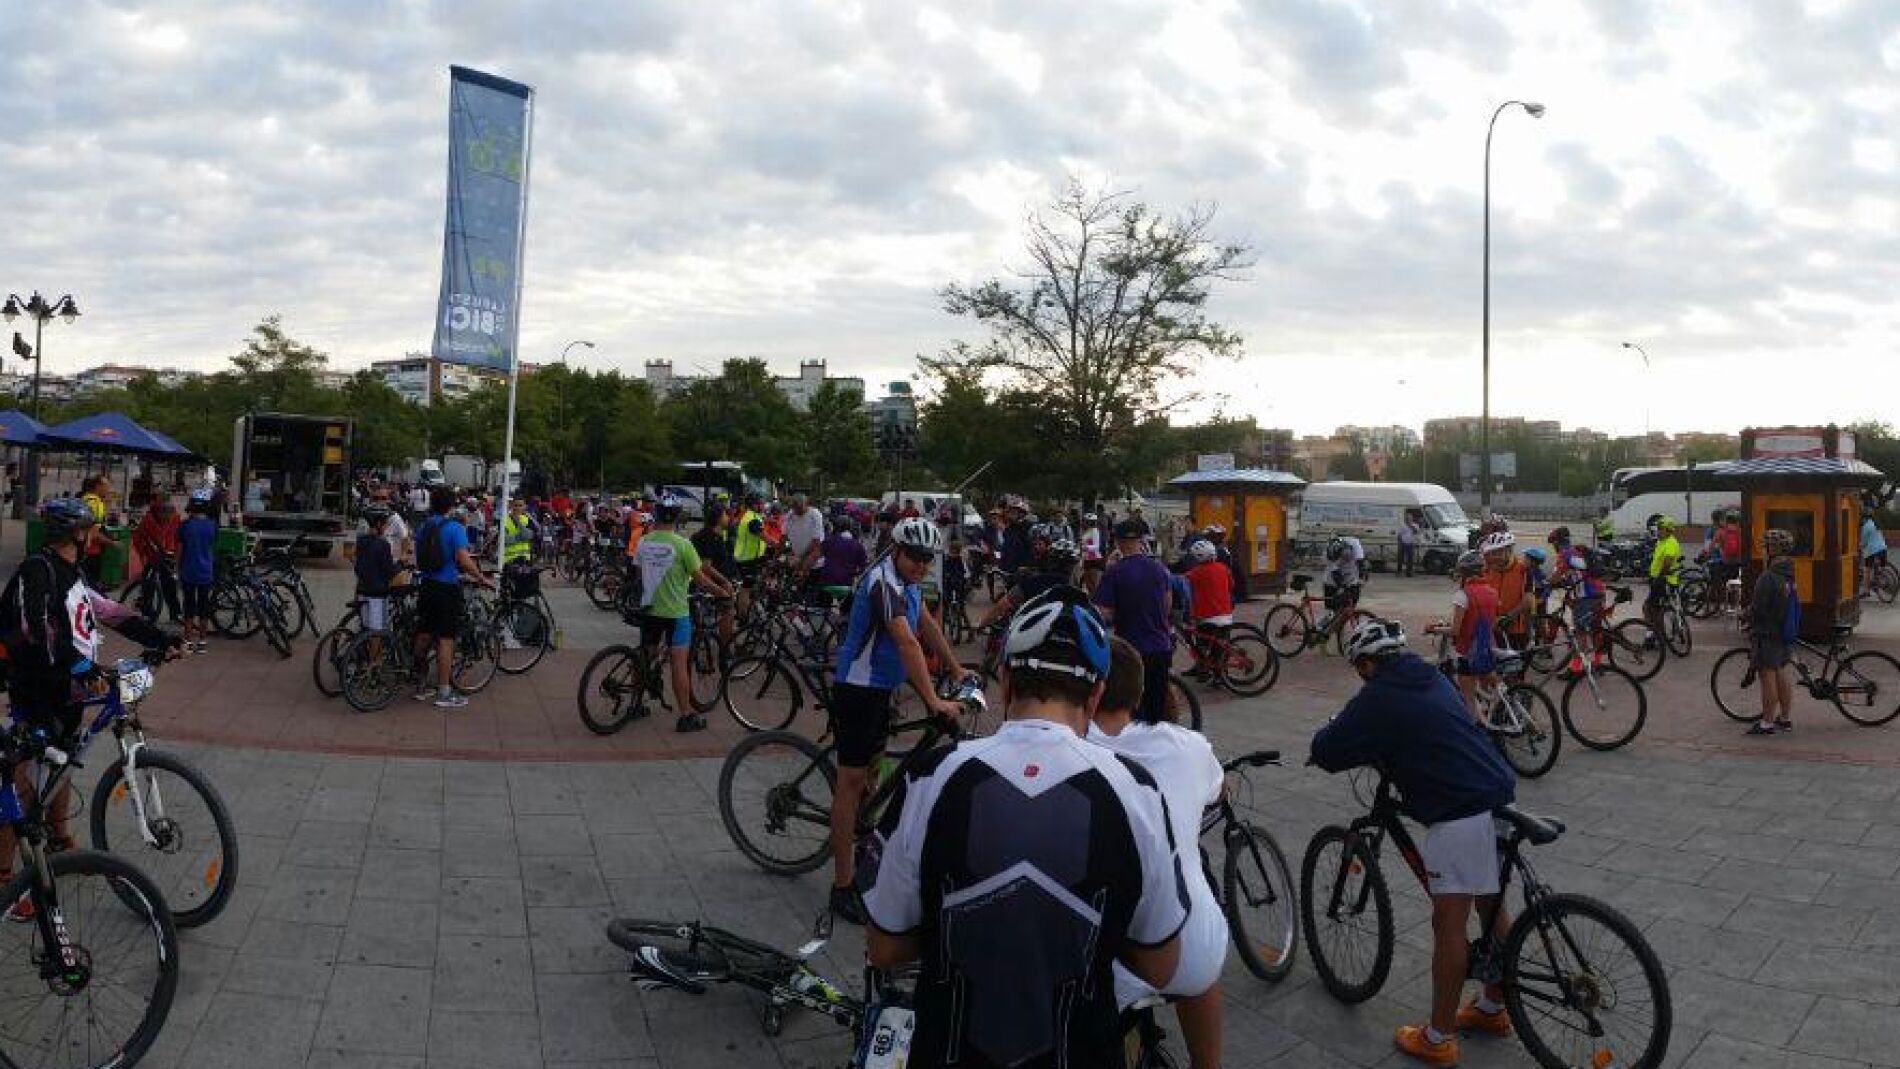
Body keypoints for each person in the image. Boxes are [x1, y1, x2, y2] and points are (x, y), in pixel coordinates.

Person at [860, 586, 1186, 1069]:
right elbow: (1161, 964)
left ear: (1006, 682)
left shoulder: (931, 774)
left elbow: (884, 948)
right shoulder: (1137, 791)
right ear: (1096, 695)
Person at [1310, 618, 1518, 1066]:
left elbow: (1328, 750)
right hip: (1496, 790)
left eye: (1358, 668)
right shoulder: (1433, 677)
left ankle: (1439, 1037)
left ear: (1368, 663)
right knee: (1490, 902)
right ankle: (1493, 1007)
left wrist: (1327, 739)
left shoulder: (1379, 696)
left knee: (1449, 924)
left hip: (1458, 810)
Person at [0, 499, 179, 906]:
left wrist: (158, 637)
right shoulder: (38, 569)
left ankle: (59, 840)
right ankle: (5, 877)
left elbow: (107, 611)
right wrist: (79, 663)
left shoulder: (74, 573)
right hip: (38, 689)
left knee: (64, 760)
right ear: (77, 534)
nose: (98, 536)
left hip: (68, 690)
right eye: (93, 530)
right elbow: (36, 627)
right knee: (23, 782)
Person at [1089, 636, 1226, 1068]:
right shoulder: (1187, 746)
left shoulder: (1072, 747)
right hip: (1189, 950)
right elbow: (1218, 790)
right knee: (1200, 949)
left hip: (1104, 952)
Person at [826, 518, 967, 925]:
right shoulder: (882, 582)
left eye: (927, 560)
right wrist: (933, 700)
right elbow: (907, 640)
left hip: (882, 689)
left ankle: (863, 837)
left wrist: (957, 670)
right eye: (915, 558)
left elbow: (926, 625)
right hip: (857, 689)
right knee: (851, 784)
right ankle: (841, 886)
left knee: (873, 774)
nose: (921, 566)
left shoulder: (907, 583)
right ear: (896, 551)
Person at [633, 495, 735, 733]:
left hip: (649, 610)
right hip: (676, 613)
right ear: (678, 517)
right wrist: (722, 592)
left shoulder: (644, 542)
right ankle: (686, 715)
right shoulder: (683, 545)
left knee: (644, 657)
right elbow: (700, 579)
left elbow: (639, 574)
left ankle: (635, 704)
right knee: (679, 664)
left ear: (657, 515)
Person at [412, 486, 492, 709]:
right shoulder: (455, 528)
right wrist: (480, 577)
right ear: (452, 505)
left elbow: (417, 554)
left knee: (424, 633)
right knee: (446, 639)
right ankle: (444, 692)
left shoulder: (424, 526)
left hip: (426, 585)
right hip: (447, 587)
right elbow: (464, 560)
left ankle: (419, 684)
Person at [1093, 519, 1175, 724]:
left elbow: (1105, 612)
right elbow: (1167, 605)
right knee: (1156, 706)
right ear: (1141, 541)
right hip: (1160, 646)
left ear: (1118, 543)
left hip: (1130, 650)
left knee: (1131, 706)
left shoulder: (1114, 572)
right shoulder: (1159, 569)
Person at [1747, 528, 1801, 736]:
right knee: (1781, 672)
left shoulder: (1768, 577)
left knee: (1766, 675)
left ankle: (1767, 722)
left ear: (1773, 550)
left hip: (1768, 633)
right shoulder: (1789, 573)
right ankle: (1785, 719)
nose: (1764, 551)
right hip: (1784, 632)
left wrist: (1746, 615)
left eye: (1766, 547)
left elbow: (1758, 608)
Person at [1433, 550, 1499, 718]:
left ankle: (1475, 729)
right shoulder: (1492, 592)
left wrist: (1433, 629)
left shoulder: (1463, 595)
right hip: (1488, 647)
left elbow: (1456, 630)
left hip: (1469, 651)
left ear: (1463, 572)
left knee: (1468, 699)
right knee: (1490, 683)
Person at [975, 537, 1078, 629]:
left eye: (1039, 544)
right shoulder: (1076, 591)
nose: (1036, 547)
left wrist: (981, 625)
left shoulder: (1034, 581)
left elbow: (1002, 605)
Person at [1547, 527, 1604, 672]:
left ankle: (1575, 669)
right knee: (1596, 629)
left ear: (1556, 543)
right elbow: (1578, 572)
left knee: (1580, 632)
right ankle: (1598, 663)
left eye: (1553, 543)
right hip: (1599, 592)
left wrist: (1547, 583)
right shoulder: (1577, 551)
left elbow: (1556, 576)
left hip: (1585, 597)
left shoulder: (1564, 554)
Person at [353, 503, 408, 635]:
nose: (385, 526)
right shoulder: (383, 544)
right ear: (378, 524)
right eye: (384, 523)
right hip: (377, 593)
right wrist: (400, 564)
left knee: (365, 626)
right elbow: (389, 571)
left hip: (362, 589)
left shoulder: (361, 541)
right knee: (377, 632)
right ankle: (374, 656)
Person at [177, 490, 219, 654]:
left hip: (188, 571)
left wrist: (176, 569)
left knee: (188, 605)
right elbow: (212, 545)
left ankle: (187, 640)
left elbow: (179, 550)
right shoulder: (212, 525)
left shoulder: (185, 526)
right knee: (203, 606)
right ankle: (202, 641)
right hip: (206, 571)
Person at [130, 498, 183, 624]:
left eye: (169, 515)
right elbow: (138, 539)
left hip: (168, 554)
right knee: (148, 583)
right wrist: (143, 555)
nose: (167, 519)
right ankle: (147, 609)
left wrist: (175, 555)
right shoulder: (148, 520)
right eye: (164, 515)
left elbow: (178, 537)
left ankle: (175, 613)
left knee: (169, 584)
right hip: (151, 554)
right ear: (158, 513)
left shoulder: (175, 518)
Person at [1480, 531, 1529, 649]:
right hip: (1492, 626)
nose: (1495, 556)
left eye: (1499, 552)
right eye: (1493, 552)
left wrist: (1509, 617)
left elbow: (1528, 599)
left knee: (1516, 662)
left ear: (1509, 551)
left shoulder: (1523, 570)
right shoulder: (1486, 569)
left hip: (1515, 627)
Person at [1316, 536, 1365, 645]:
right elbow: (1335, 573)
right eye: (1339, 559)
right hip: (1331, 581)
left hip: (1352, 578)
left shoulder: (1355, 545)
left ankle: (1338, 632)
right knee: (1331, 611)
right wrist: (1341, 587)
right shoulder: (1329, 554)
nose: (1342, 560)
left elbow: (1361, 565)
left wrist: (1362, 579)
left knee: (1348, 609)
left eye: (1343, 557)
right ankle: (1322, 632)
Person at [346, 488, 412, 566]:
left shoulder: (394, 517)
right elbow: (352, 541)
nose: (379, 501)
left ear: (388, 500)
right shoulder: (364, 516)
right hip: (366, 563)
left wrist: (403, 557)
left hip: (385, 563)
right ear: (371, 499)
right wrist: (355, 560)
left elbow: (405, 538)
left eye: (383, 498)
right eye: (376, 498)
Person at [1644, 515, 1682, 640]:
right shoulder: (1662, 541)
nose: (1658, 531)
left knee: (1651, 608)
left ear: (1668, 530)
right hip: (1659, 580)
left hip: (1664, 581)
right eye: (1658, 528)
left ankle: (1655, 636)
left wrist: (1658, 577)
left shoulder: (1670, 543)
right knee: (1655, 608)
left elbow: (1667, 563)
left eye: (1661, 528)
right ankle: (1657, 634)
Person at [782, 493, 826, 580]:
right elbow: (784, 536)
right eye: (794, 507)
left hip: (813, 562)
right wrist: (776, 556)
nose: (796, 510)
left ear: (806, 504)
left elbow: (816, 541)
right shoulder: (790, 515)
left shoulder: (815, 514)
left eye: (799, 507)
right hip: (797, 559)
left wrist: (800, 558)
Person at [1861, 511, 1889, 599]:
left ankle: (1866, 591)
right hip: (1883, 548)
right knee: (1880, 567)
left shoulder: (1866, 527)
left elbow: (1864, 542)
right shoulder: (1876, 525)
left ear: (1864, 518)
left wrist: (1859, 546)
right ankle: (1880, 581)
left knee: (1866, 570)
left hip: (1872, 551)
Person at [1398, 510, 1421, 578]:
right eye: (1407, 517)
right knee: (1400, 558)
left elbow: (1416, 532)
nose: (1408, 518)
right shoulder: (1402, 525)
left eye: (1410, 517)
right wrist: (1399, 542)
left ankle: (1409, 572)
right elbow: (1399, 534)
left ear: (1412, 518)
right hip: (1403, 543)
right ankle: (1399, 571)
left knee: (1410, 559)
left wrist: (1411, 526)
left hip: (1410, 543)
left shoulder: (1415, 525)